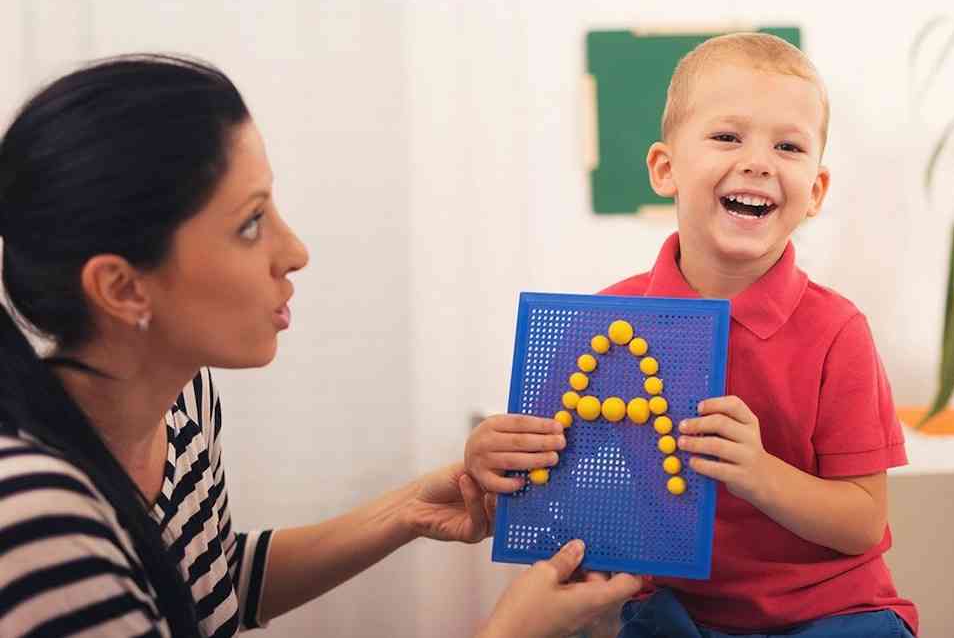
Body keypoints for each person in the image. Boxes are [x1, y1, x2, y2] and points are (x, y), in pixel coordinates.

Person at [0, 54, 638, 637]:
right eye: (250, 223)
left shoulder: (182, 402)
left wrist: (407, 510)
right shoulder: (37, 522)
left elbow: (213, 584)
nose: (295, 252)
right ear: (121, 286)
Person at [467, 33, 918, 637]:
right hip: (676, 615)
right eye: (728, 136)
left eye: (788, 145)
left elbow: (863, 521)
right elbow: (553, 492)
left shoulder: (839, 332)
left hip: (832, 615)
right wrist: (494, 468)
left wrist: (758, 473)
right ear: (665, 168)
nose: (758, 161)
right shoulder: (605, 324)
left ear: (814, 192)